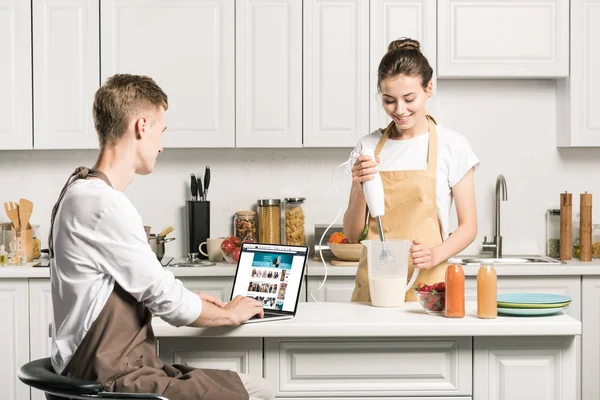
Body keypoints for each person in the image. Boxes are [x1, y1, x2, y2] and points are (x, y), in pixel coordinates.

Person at [48, 73, 273, 400]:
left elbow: (135, 287)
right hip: (109, 380)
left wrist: (191, 299)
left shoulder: (78, 191)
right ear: (142, 126)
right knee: (259, 391)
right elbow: (172, 306)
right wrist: (229, 312)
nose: (161, 145)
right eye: (160, 131)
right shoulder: (103, 204)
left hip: (96, 370)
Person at [344, 38, 479, 303]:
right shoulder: (368, 147)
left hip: (429, 289)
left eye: (409, 99)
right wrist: (359, 186)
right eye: (389, 101)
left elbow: (469, 226)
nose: (400, 110)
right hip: (375, 288)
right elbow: (352, 232)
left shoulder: (453, 145)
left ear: (428, 89)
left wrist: (435, 254)